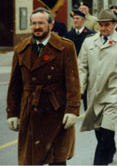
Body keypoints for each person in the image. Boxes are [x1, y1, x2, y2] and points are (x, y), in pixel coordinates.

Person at [7, 8, 81, 165]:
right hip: (30, 110)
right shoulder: (21, 49)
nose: (37, 27)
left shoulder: (65, 47)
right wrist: (12, 113)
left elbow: (73, 82)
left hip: (56, 109)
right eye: (33, 23)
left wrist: (73, 109)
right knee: (30, 159)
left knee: (57, 160)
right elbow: (14, 86)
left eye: (41, 23)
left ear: (51, 25)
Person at [78, 9, 117, 165]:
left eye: (107, 25)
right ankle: (110, 149)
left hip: (113, 92)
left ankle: (99, 162)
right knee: (99, 130)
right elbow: (82, 67)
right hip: (93, 93)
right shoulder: (89, 42)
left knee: (107, 129)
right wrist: (79, 89)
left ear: (114, 25)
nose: (104, 29)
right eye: (101, 25)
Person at [64, 9, 95, 110]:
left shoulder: (91, 34)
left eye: (77, 18)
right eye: (74, 18)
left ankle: (88, 114)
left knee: (87, 94)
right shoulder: (68, 35)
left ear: (83, 20)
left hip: (86, 68)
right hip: (72, 67)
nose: (75, 21)